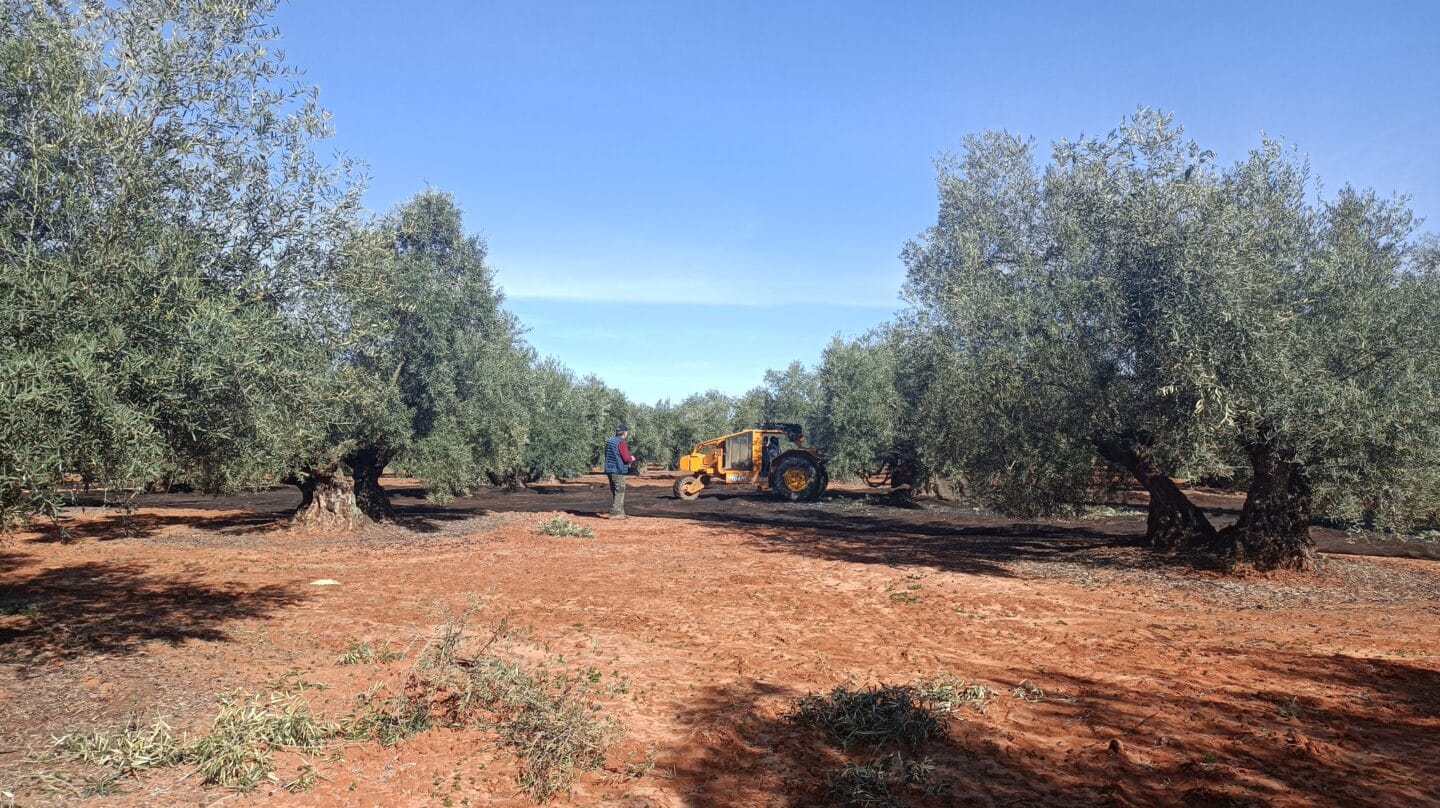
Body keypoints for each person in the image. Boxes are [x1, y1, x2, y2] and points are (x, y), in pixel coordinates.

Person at [603, 425, 635, 519]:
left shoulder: (609, 442)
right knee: (620, 489)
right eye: (627, 432)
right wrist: (631, 459)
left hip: (609, 469)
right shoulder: (621, 443)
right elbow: (626, 458)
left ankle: (620, 512)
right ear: (624, 433)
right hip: (618, 469)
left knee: (615, 490)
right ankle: (615, 512)